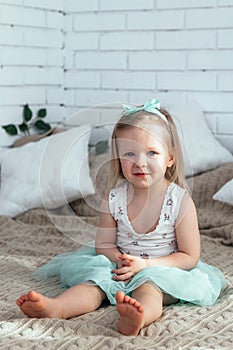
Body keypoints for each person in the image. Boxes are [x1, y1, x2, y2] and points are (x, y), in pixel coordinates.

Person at [16, 99, 226, 336]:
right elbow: (103, 243)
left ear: (170, 158)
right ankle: (57, 307)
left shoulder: (180, 202)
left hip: (161, 269)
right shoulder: (114, 198)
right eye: (129, 153)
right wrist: (121, 260)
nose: (140, 162)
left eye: (152, 152)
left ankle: (139, 316)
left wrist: (146, 265)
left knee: (150, 289)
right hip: (120, 265)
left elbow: (189, 256)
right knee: (94, 283)